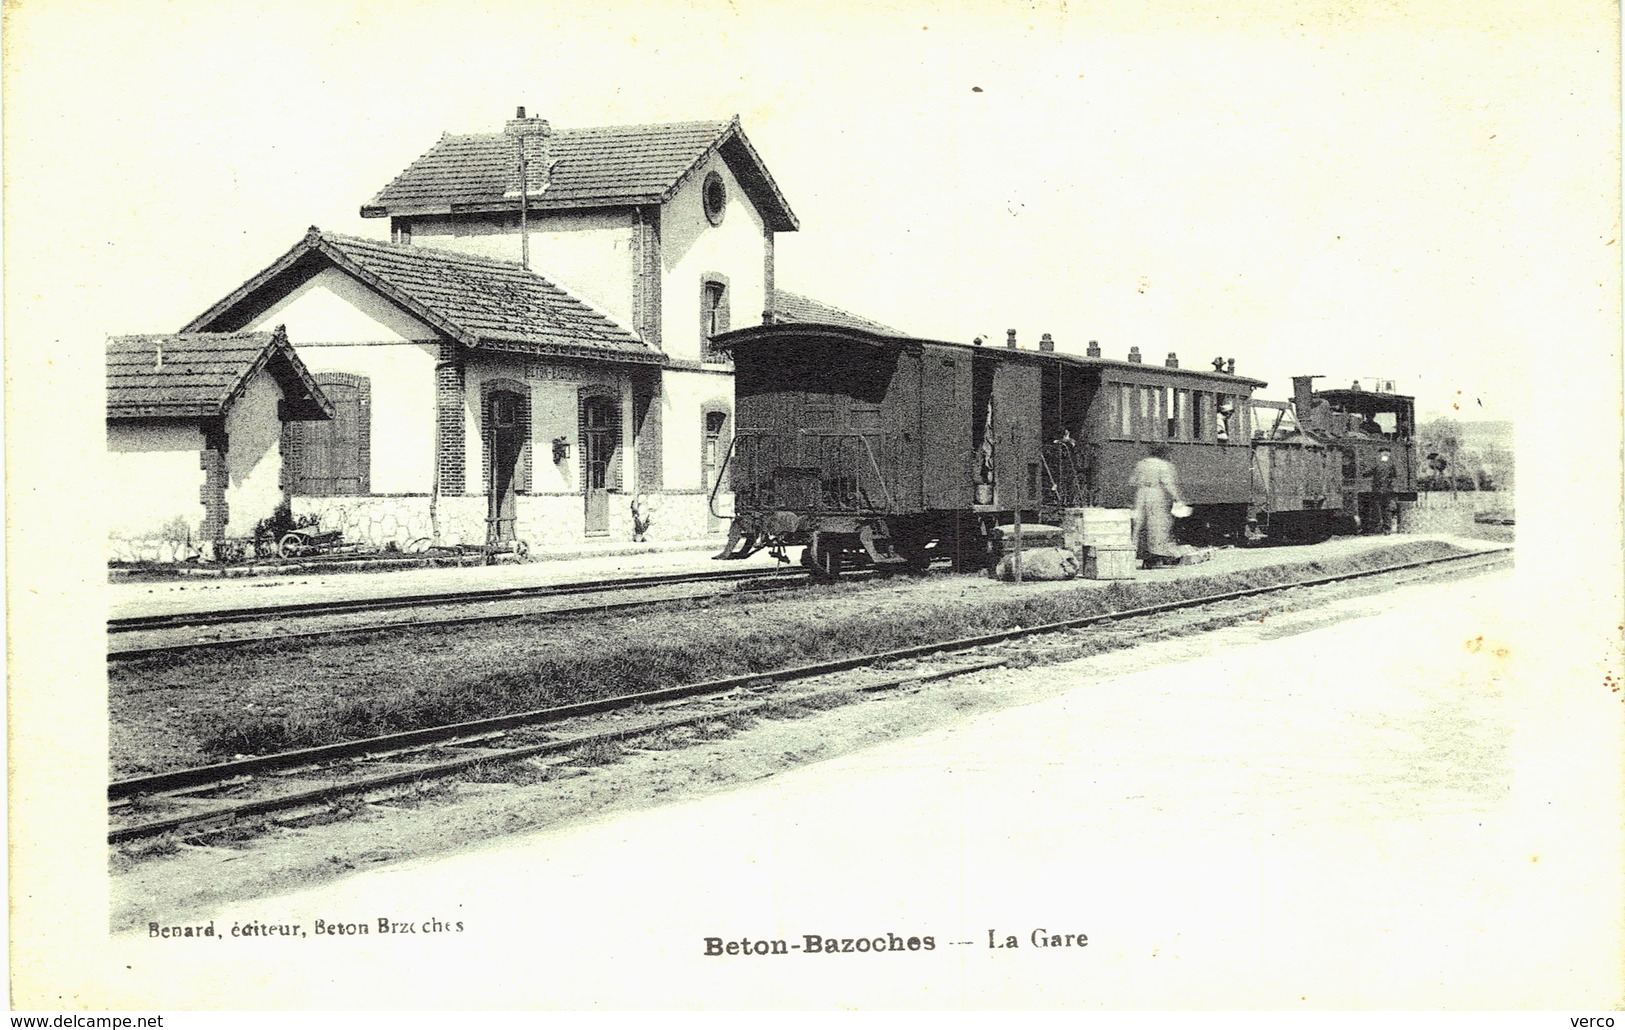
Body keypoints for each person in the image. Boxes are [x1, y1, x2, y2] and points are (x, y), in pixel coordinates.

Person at [1132, 443, 1189, 568]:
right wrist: (1178, 499)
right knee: (1158, 526)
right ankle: (1157, 556)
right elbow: (1169, 484)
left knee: (1140, 526)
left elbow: (1133, 481)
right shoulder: (1164, 466)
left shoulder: (1142, 463)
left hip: (1141, 494)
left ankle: (1139, 555)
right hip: (1156, 494)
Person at [1364, 449, 1397, 534]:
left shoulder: (1377, 463)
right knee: (1386, 509)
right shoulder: (1391, 464)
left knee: (1376, 508)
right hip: (1388, 490)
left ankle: (1377, 528)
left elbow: (1368, 472)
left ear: (1381, 454)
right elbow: (1394, 475)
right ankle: (1387, 529)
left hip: (1377, 489)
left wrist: (1363, 471)